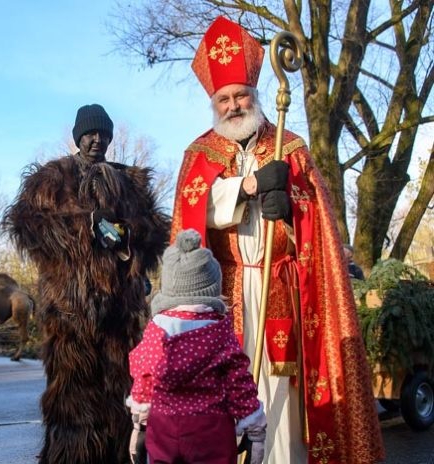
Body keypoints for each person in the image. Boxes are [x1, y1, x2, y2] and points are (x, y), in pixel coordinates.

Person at [169, 16, 384, 464]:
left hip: (280, 288)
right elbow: (192, 219)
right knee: (227, 389)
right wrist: (247, 189)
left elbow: (319, 229)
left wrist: (290, 212)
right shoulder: (198, 153)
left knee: (282, 396)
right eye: (224, 99)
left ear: (256, 96)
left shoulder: (291, 146)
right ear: (214, 103)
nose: (233, 105)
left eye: (241, 96)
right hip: (224, 295)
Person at [2, 103, 170, 464]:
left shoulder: (130, 181)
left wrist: (126, 234)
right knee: (71, 402)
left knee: (120, 397)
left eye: (103, 133)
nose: (97, 140)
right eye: (90, 133)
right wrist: (85, 225)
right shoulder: (53, 178)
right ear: (77, 136)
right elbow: (27, 224)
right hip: (69, 316)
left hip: (120, 317)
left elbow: (155, 234)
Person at [128, 229, 266, 464]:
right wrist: (254, 428)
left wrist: (140, 421)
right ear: (211, 288)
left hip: (164, 426)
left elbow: (144, 375)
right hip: (210, 429)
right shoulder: (219, 331)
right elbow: (238, 383)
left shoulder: (156, 330)